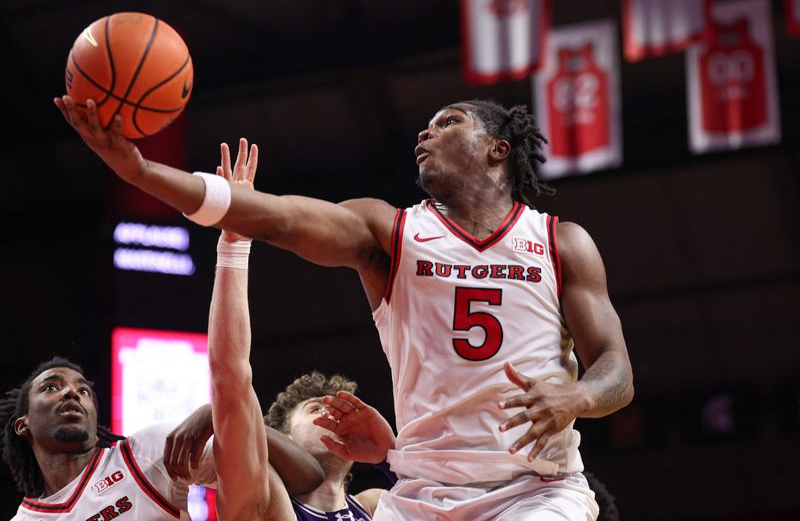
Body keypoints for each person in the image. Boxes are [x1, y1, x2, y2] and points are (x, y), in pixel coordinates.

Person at [55, 95, 634, 519]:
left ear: (496, 149)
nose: (423, 134)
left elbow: (617, 370)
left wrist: (578, 394)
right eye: (425, 125)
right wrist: (142, 171)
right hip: (419, 498)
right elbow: (275, 215)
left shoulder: (561, 243)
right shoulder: (387, 230)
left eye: (447, 122)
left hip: (533, 490)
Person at [160, 143, 392, 520]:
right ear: (283, 438)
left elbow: (456, 498)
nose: (332, 417)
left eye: (339, 411)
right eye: (316, 409)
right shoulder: (266, 497)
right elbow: (232, 376)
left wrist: (389, 456)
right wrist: (235, 245)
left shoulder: (375, 505)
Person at [0, 356, 322, 520]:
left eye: (84, 390)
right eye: (52, 387)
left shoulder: (145, 452)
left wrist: (219, 417)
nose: (73, 392)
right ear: (23, 425)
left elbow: (306, 476)